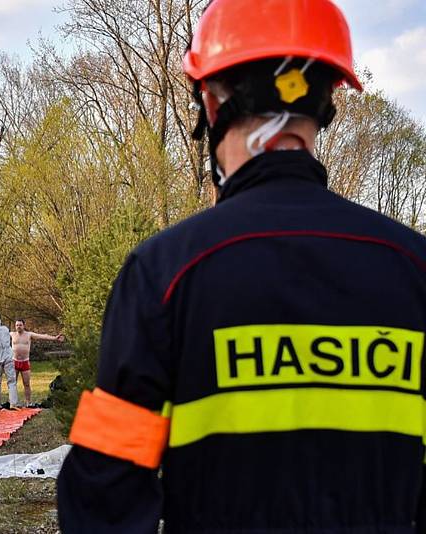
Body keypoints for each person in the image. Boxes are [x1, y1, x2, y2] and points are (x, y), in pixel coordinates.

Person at [58, 0, 426, 531]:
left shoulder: (163, 274)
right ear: (328, 99)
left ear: (210, 103)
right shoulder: (413, 268)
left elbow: (103, 490)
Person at [10, 319, 64, 406]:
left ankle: (28, 402)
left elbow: (43, 336)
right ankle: (13, 402)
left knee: (26, 383)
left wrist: (54, 338)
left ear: (24, 326)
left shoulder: (29, 335)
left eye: (20, 325)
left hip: (25, 362)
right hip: (14, 362)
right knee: (13, 383)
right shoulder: (12, 334)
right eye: (17, 325)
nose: (18, 327)